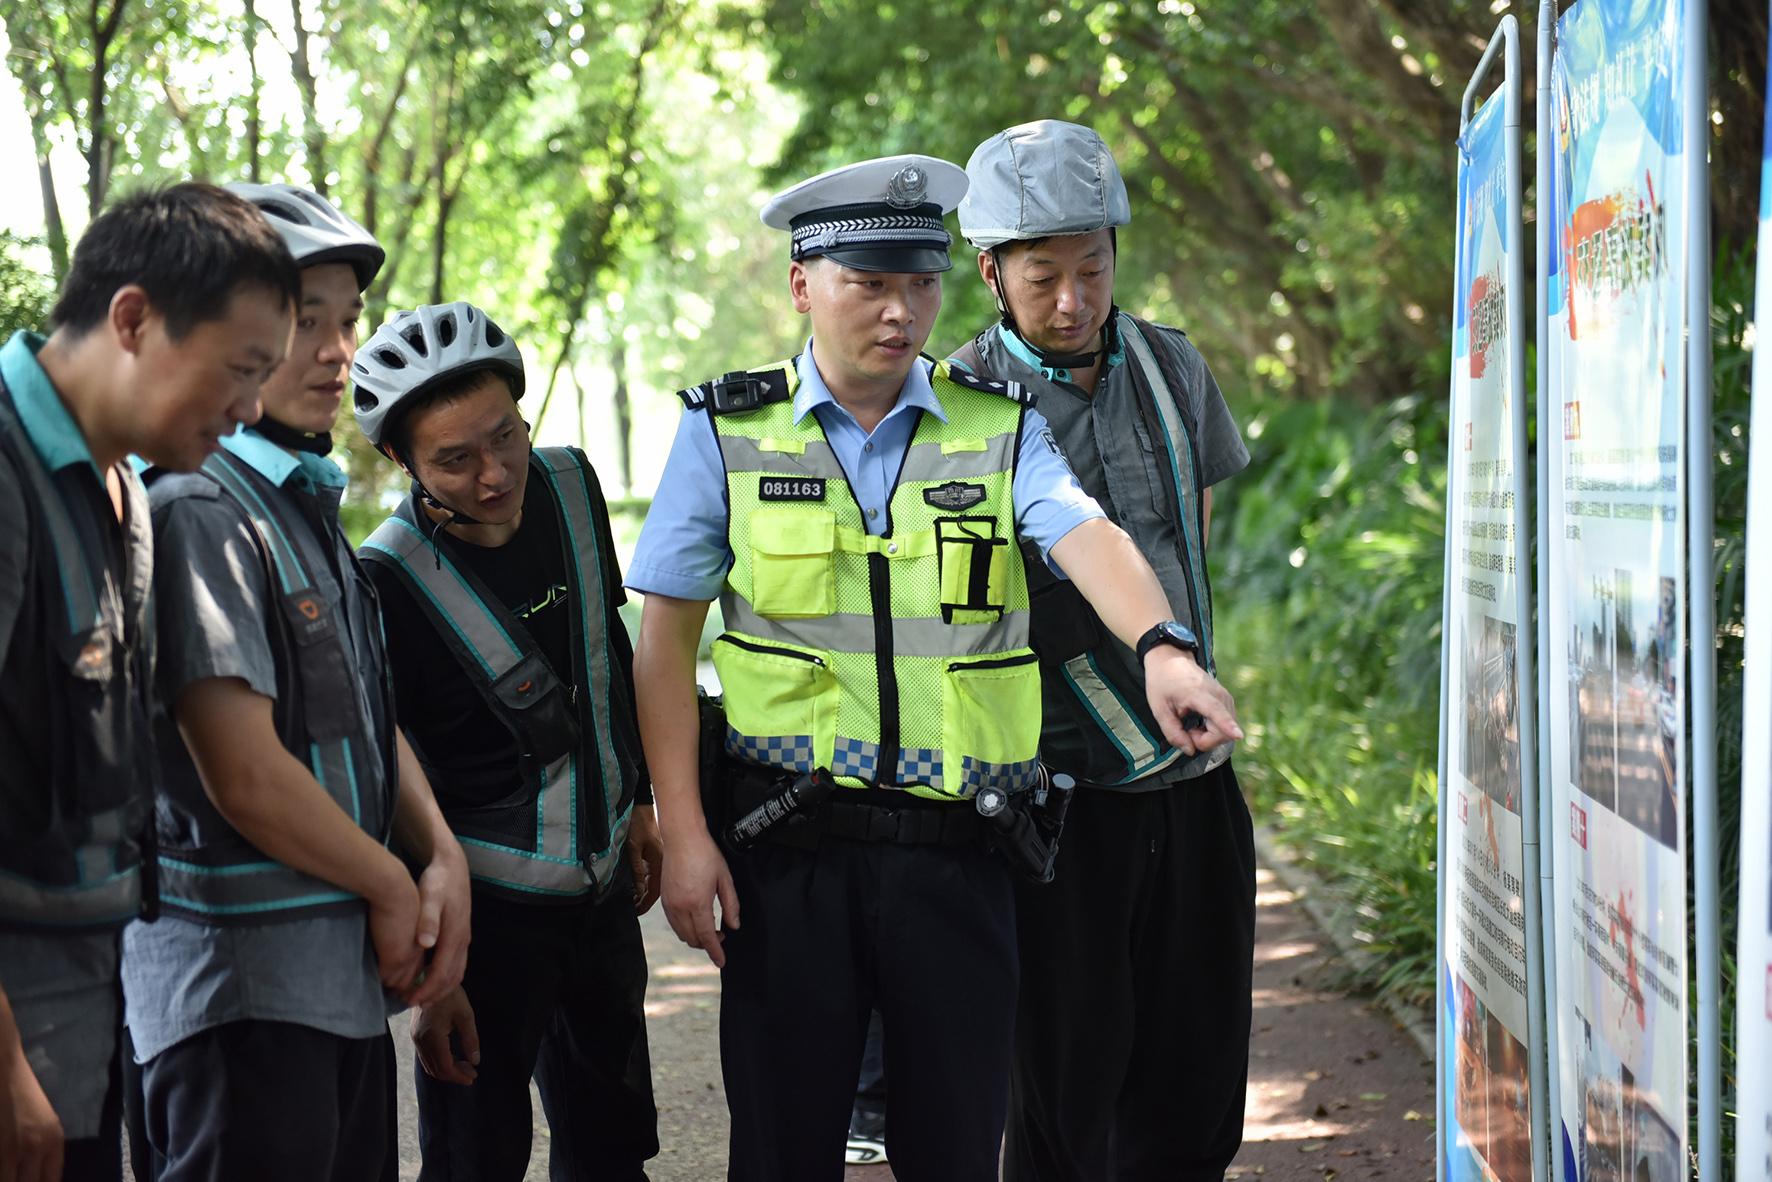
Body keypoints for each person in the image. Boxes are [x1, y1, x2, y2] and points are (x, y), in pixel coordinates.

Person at [627, 152, 1243, 1182]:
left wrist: (1162, 649)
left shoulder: (997, 427)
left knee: (955, 1148)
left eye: (919, 284)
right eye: (868, 284)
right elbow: (663, 650)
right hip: (789, 854)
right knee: (781, 1150)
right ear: (802, 286)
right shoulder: (726, 433)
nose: (899, 312)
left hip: (960, 858)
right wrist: (683, 834)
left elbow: (1087, 537)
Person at [122, 182, 470, 1182]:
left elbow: (359, 714)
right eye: (301, 321)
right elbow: (244, 775)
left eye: (345, 321)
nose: (333, 350)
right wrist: (392, 881)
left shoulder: (300, 508)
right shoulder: (198, 508)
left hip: (332, 988)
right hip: (236, 997)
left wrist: (440, 855)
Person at [953, 119, 1258, 1181]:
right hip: (1055, 804)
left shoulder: (1174, 367)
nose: (1072, 301)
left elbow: (1190, 536)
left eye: (1092, 269)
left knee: (1198, 1078)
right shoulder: (957, 406)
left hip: (1195, 781)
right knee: (1062, 1094)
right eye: (1042, 279)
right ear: (991, 274)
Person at [0, 182, 300, 1182]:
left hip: (84, 1008)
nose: (249, 408)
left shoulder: (127, 489)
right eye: (241, 370)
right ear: (132, 319)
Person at [353, 301, 660, 1180]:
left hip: (601, 891)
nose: (494, 475)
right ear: (402, 462)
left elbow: (608, 652)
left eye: (506, 438)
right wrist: (435, 974)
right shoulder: (383, 579)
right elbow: (387, 773)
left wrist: (639, 804)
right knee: (475, 1159)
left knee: (613, 1151)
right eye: (455, 460)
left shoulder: (572, 487)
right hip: (484, 920)